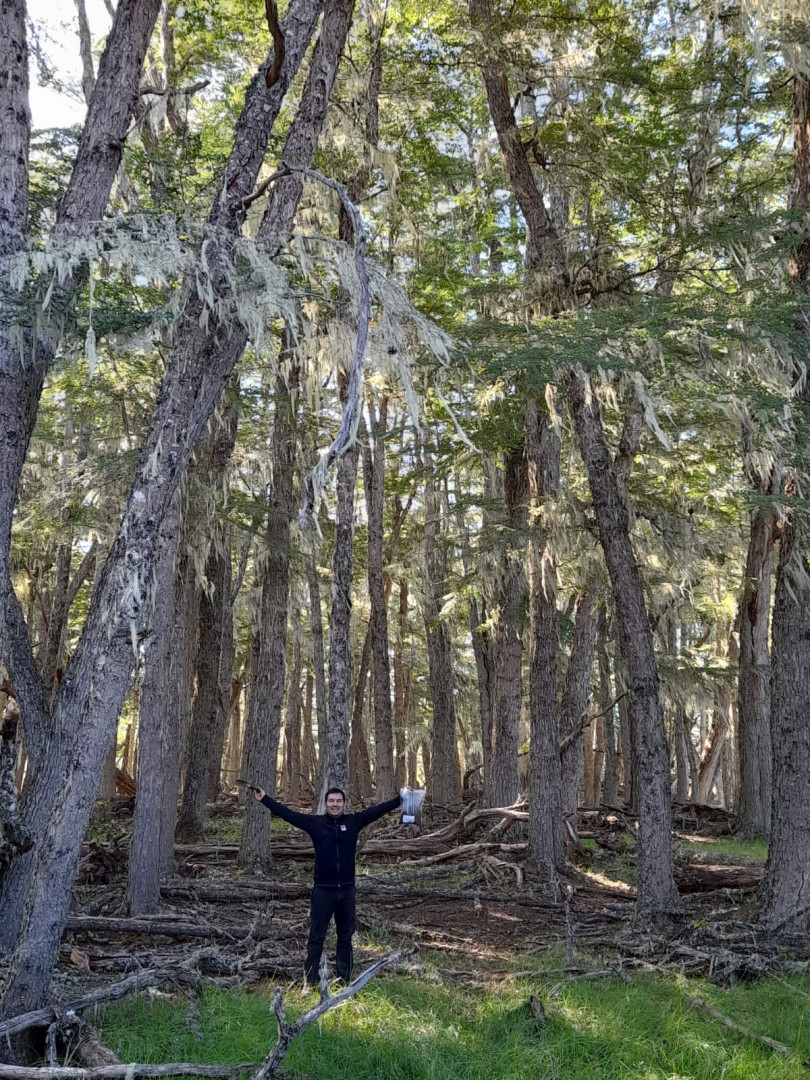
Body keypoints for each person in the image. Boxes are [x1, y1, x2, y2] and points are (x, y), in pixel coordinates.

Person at [253, 784, 402, 986]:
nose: (335, 804)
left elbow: (377, 811)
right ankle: (311, 980)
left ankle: (345, 980)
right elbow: (288, 814)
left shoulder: (353, 822)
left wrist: (401, 799)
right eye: (331, 801)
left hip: (347, 890)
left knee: (345, 936)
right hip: (323, 890)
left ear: (343, 804)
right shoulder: (315, 824)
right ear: (325, 804)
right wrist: (264, 799)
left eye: (338, 801)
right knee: (317, 937)